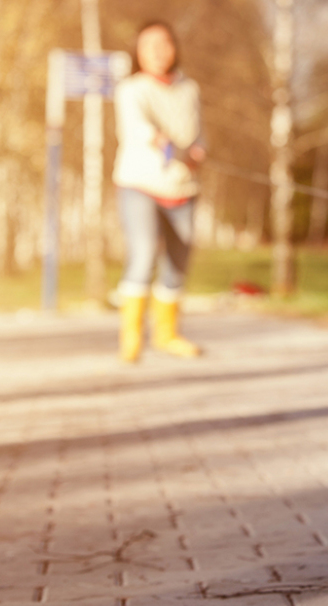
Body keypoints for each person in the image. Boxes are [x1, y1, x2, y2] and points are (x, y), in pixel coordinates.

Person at [112, 20, 206, 362]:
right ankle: (131, 337)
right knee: (145, 250)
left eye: (163, 43)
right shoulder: (131, 89)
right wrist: (159, 138)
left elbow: (198, 132)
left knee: (178, 263)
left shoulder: (189, 89)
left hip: (182, 187)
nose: (156, 51)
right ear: (138, 52)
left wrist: (198, 151)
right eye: (148, 45)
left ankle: (166, 334)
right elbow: (137, 127)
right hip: (140, 183)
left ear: (174, 47)